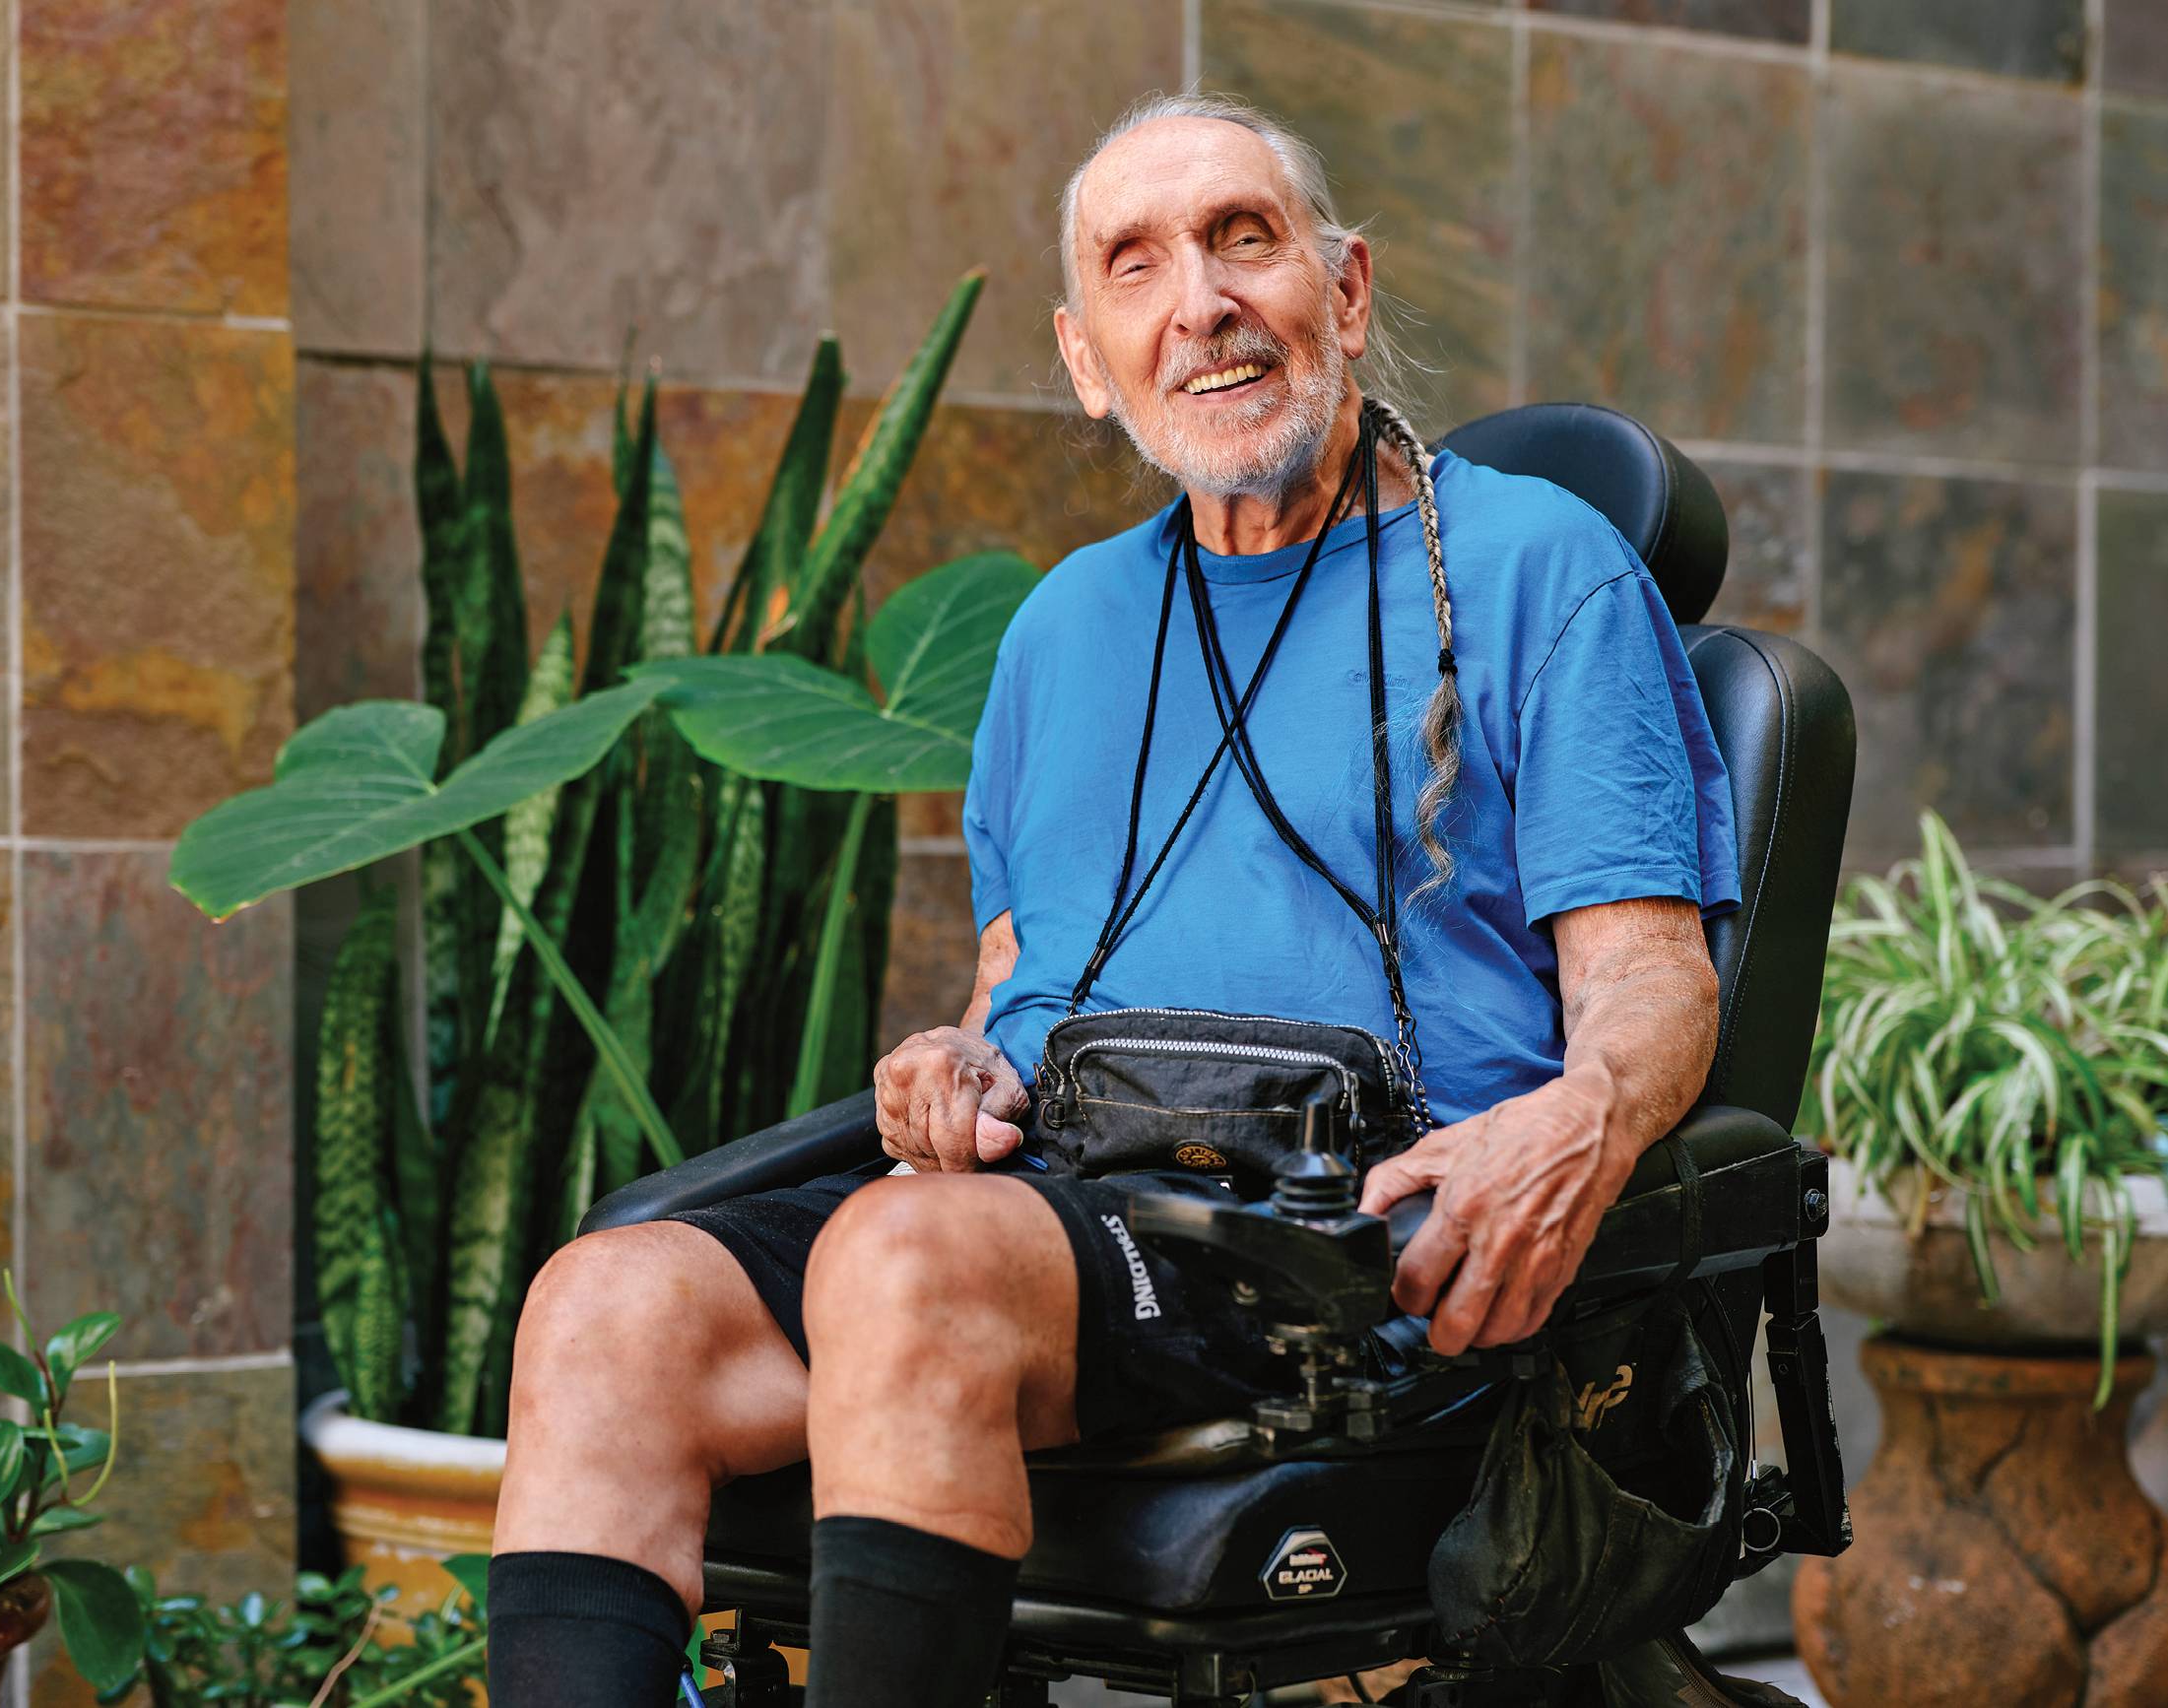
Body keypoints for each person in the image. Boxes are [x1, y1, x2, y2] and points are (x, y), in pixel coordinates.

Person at [484, 92, 1739, 1708]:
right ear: (1087, 359)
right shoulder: (1062, 630)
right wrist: (956, 1063)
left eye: (1242, 240)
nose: (1199, 305)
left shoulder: (1534, 570)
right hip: (1067, 1222)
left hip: (1348, 1253)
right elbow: (1019, 980)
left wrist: (1581, 1121)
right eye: (1135, 267)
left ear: (1341, 291)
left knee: (904, 1262)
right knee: (603, 1306)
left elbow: (1654, 985)